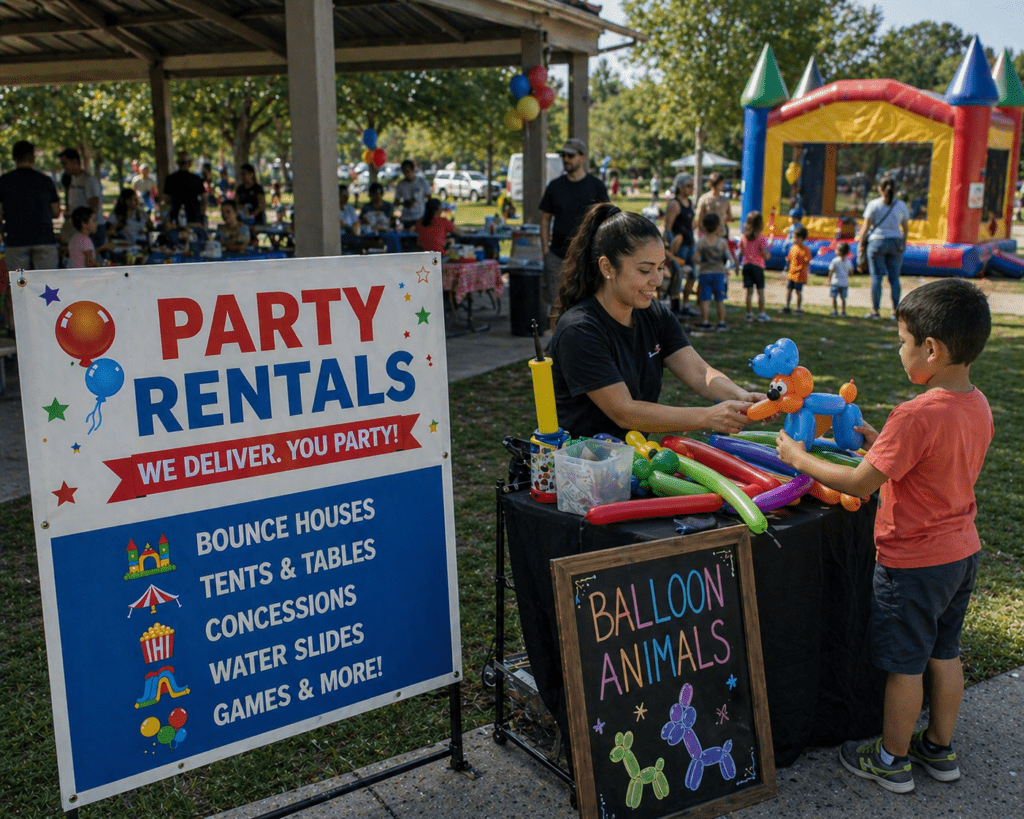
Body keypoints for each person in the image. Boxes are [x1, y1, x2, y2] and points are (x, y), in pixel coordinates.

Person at [776, 278, 993, 795]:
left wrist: (797, 457)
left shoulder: (915, 415)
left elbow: (858, 482)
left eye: (903, 342)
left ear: (932, 350)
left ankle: (891, 758)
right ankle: (939, 750)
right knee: (946, 653)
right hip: (961, 554)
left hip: (912, 563)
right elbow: (932, 464)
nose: (900, 351)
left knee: (905, 664)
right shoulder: (978, 404)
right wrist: (881, 442)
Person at [549, 203, 763, 441]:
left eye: (661, 268)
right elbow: (624, 412)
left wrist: (741, 396)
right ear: (607, 267)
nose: (658, 280)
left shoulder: (654, 314)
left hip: (630, 462)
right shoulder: (580, 329)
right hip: (580, 468)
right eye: (645, 271)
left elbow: (700, 372)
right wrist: (706, 416)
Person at [539, 139, 609, 327]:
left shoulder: (596, 186)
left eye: (571, 155)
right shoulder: (555, 186)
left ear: (583, 158)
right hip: (557, 255)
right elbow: (545, 218)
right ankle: (555, 348)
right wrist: (545, 249)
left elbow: (606, 219)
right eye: (564, 155)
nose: (566, 159)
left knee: (587, 304)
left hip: (587, 256)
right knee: (556, 303)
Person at [0, 140, 61, 272]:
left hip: (16, 240)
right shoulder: (45, 181)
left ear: (14, 158)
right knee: (46, 286)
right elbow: (56, 212)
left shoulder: (4, 181)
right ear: (33, 158)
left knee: (20, 287)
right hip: (44, 239)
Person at [859, 176, 909, 319]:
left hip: (877, 243)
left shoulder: (873, 204)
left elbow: (865, 228)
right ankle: (895, 311)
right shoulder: (901, 205)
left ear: (879, 189)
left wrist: (861, 245)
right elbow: (905, 229)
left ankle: (875, 311)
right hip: (895, 242)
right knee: (894, 278)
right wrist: (902, 243)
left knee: (876, 278)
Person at [663, 173, 697, 317]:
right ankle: (674, 307)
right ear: (680, 187)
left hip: (690, 243)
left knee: (693, 275)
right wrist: (673, 243)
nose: (691, 189)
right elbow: (667, 229)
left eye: (692, 186)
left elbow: (690, 224)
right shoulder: (674, 204)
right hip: (679, 247)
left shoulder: (690, 203)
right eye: (688, 186)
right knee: (678, 276)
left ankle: (686, 304)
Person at [693, 211, 731, 331]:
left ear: (704, 227)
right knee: (720, 299)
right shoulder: (722, 242)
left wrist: (701, 264)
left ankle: (705, 321)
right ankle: (721, 322)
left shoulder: (701, 242)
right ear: (718, 226)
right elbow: (728, 256)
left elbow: (695, 258)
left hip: (705, 273)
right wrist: (729, 268)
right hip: (719, 273)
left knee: (705, 298)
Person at [58, 147, 104, 245]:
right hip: (81, 229)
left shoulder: (88, 180)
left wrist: (80, 220)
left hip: (92, 230)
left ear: (74, 162)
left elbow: (94, 207)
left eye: (65, 163)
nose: (63, 167)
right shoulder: (74, 181)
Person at [739, 211, 771, 323]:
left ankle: (749, 313)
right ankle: (761, 313)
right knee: (760, 291)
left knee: (749, 292)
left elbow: (741, 252)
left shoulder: (743, 237)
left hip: (746, 266)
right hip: (757, 267)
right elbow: (765, 255)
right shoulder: (761, 238)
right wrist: (768, 253)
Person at [161, 150, 206, 227]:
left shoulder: (170, 179)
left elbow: (165, 200)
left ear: (177, 163)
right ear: (190, 163)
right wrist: (201, 215)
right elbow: (204, 200)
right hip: (194, 219)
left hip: (175, 219)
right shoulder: (196, 179)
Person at [394, 159, 431, 231]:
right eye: (404, 172)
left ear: (413, 170)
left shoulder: (422, 182)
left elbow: (429, 199)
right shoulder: (401, 184)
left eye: (408, 171)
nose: (406, 174)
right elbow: (396, 202)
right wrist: (405, 203)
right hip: (406, 217)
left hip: (420, 217)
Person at [695, 171, 732, 239]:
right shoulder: (704, 199)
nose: (722, 184)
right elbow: (699, 219)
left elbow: (729, 216)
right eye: (720, 183)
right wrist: (703, 232)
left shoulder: (725, 199)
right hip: (707, 235)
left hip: (722, 234)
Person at [783, 224, 811, 314]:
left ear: (801, 239)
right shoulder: (793, 248)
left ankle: (798, 308)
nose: (793, 239)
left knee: (798, 292)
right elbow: (790, 258)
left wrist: (807, 274)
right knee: (789, 290)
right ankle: (787, 306)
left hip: (800, 276)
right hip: (791, 274)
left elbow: (807, 262)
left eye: (795, 238)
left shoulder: (805, 250)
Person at [829, 242, 853, 317]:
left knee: (834, 297)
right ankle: (843, 312)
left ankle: (835, 311)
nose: (835, 250)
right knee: (843, 298)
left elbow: (831, 271)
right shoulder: (848, 261)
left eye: (836, 249)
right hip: (844, 283)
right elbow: (851, 272)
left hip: (835, 282)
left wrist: (829, 279)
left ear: (840, 251)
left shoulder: (835, 261)